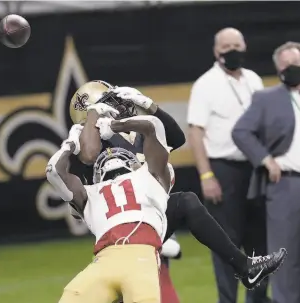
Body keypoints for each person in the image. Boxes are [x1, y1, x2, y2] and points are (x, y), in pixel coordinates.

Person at [69, 80, 286, 291]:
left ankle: (245, 267)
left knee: (186, 202)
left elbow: (175, 138)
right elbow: (89, 155)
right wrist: (95, 117)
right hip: (118, 231)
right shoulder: (84, 147)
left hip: (146, 217)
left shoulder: (128, 134)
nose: (117, 105)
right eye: (109, 101)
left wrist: (150, 107)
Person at [232, 41, 300, 303]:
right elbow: (241, 131)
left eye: (293, 64)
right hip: (288, 186)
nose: (288, 70)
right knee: (287, 257)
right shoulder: (267, 98)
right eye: (283, 66)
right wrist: (266, 160)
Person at [46, 113, 173, 303]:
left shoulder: (90, 193)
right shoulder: (152, 176)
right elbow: (152, 125)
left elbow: (54, 170)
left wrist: (72, 143)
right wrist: (114, 125)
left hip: (106, 263)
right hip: (140, 259)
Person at [186, 27, 269, 303]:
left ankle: (257, 300)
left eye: (237, 45)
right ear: (216, 51)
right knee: (226, 245)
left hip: (255, 170)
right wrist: (206, 175)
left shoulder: (254, 80)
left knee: (260, 243)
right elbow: (195, 132)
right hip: (222, 170)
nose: (232, 51)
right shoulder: (205, 84)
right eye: (226, 46)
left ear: (244, 47)